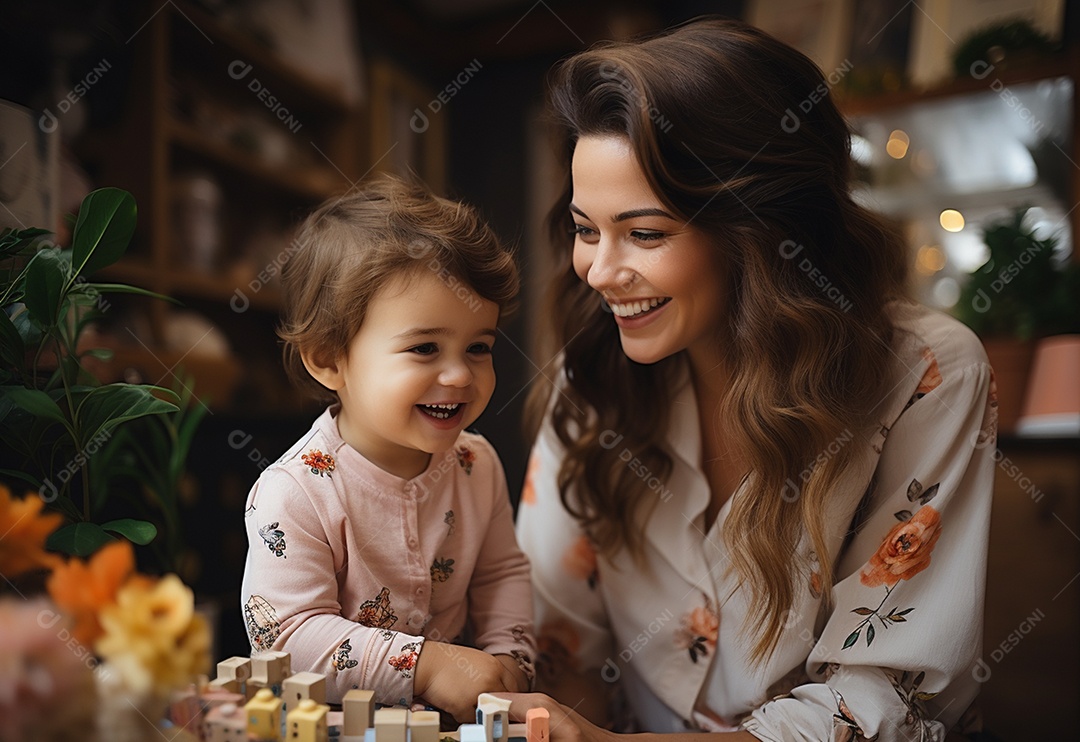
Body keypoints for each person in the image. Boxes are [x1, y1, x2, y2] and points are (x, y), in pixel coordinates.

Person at [508, 18, 996, 742]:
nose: (600, 272)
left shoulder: (927, 375)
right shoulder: (590, 375)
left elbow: (883, 699)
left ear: (762, 231)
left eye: (645, 233)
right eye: (586, 229)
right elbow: (559, 644)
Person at [240, 174, 536, 718]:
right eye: (425, 348)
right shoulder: (294, 493)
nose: (460, 375)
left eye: (478, 347)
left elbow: (501, 576)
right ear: (328, 358)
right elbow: (284, 637)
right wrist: (427, 666)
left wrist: (508, 660)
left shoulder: (478, 465)